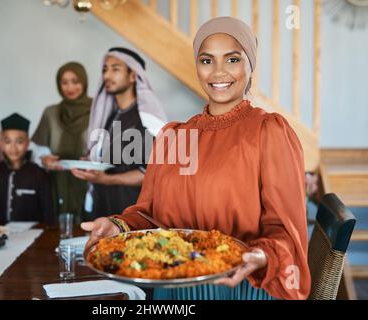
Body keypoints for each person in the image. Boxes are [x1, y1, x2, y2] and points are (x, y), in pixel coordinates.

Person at [81, 17, 310, 300]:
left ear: (250, 65)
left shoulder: (269, 132)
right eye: (206, 60)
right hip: (174, 290)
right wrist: (118, 226)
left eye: (232, 59)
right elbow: (151, 217)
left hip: (240, 288)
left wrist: (260, 255)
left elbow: (286, 231)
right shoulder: (174, 137)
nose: (218, 72)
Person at [70, 47, 167, 220]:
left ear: (133, 76)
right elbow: (111, 160)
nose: (107, 76)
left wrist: (107, 179)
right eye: (105, 70)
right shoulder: (111, 116)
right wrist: (89, 163)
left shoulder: (146, 119)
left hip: (133, 217)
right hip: (104, 212)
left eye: (115, 69)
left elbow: (151, 173)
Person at [32, 62, 91, 223]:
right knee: (59, 230)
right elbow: (39, 149)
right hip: (57, 182)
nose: (70, 87)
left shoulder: (98, 109)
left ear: (84, 82)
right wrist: (44, 159)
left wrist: (95, 160)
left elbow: (108, 146)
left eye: (75, 81)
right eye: (64, 82)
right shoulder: (51, 112)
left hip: (90, 182)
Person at [0, 113, 54, 226]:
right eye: (8, 142)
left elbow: (48, 215)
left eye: (19, 142)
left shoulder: (39, 175)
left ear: (28, 143)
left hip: (31, 237)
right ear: (1, 143)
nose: (13, 148)